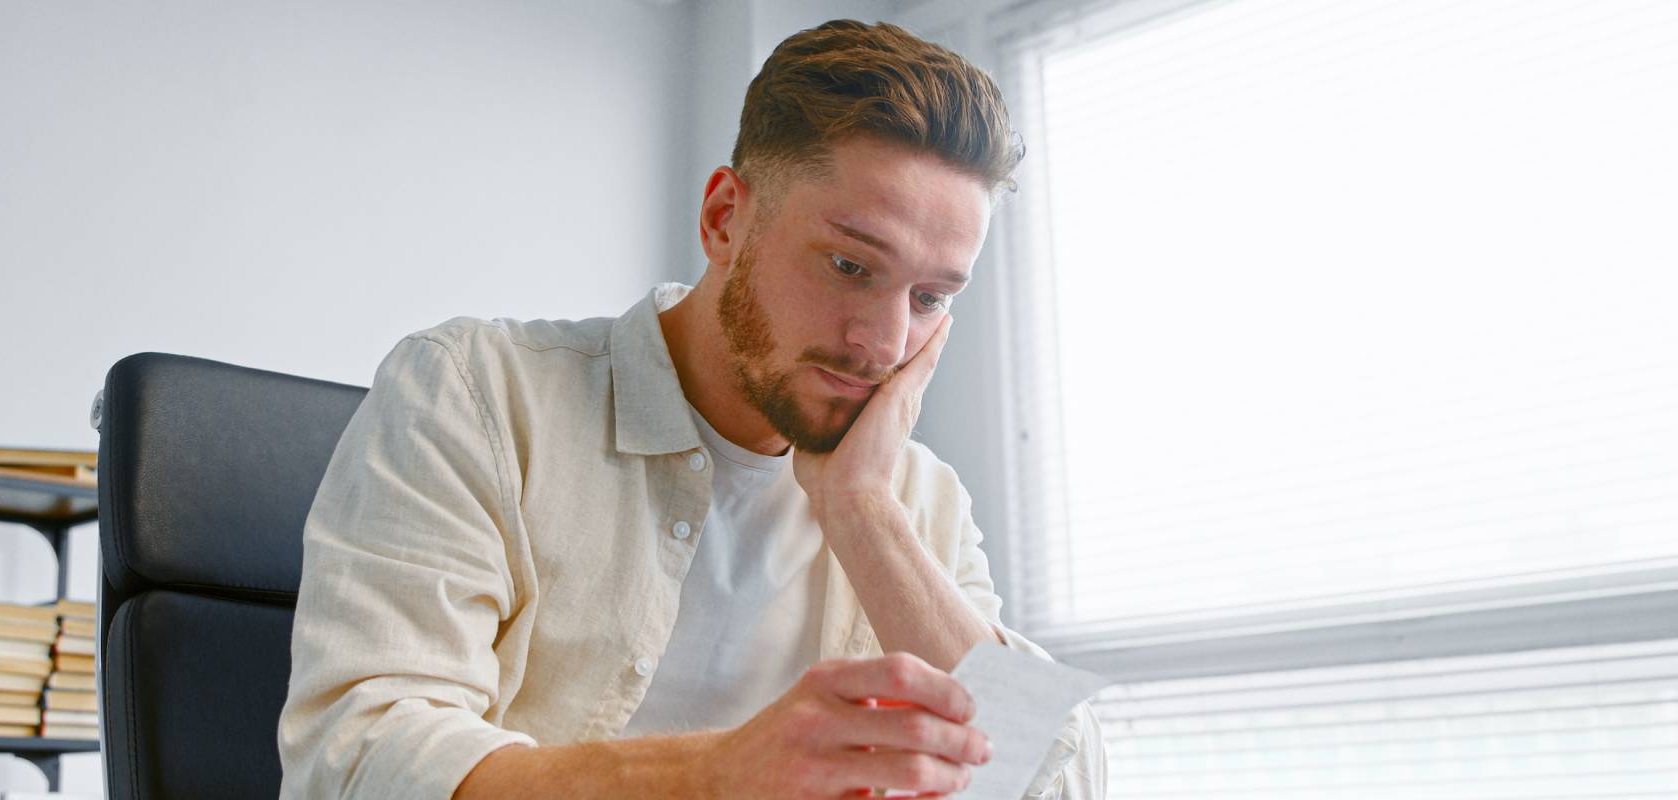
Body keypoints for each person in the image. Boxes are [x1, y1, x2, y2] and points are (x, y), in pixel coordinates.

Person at [277, 19, 1106, 799]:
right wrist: (718, 772)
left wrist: (859, 509)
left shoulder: (915, 500)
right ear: (723, 218)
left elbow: (1059, 781)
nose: (882, 345)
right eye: (851, 267)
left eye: (928, 297)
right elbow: (358, 759)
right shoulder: (476, 393)